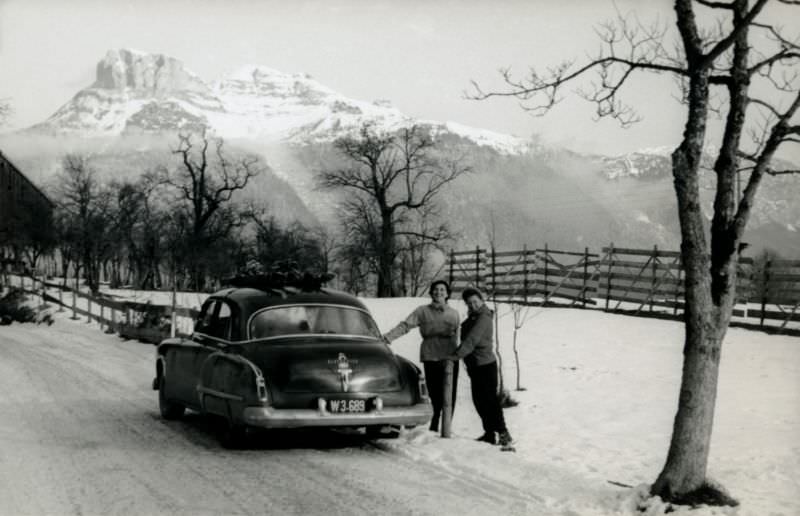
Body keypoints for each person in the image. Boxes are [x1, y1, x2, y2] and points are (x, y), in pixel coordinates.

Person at [382, 280, 460, 432]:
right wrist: (388, 338)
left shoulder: (454, 314)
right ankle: (435, 422)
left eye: (442, 290)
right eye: (436, 290)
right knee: (435, 392)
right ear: (431, 293)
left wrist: (457, 356)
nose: (439, 292)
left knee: (451, 392)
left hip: (449, 357)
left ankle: (447, 426)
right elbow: (405, 325)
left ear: (448, 294)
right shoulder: (422, 311)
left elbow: (458, 336)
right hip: (430, 355)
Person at [451, 287, 512, 447]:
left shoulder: (483, 317)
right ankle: (489, 433)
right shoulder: (474, 317)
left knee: (490, 401)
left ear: (482, 300)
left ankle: (504, 433)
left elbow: (472, 341)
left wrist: (454, 357)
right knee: (479, 401)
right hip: (475, 366)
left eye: (475, 302)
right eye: (469, 303)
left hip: (485, 366)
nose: (473, 305)